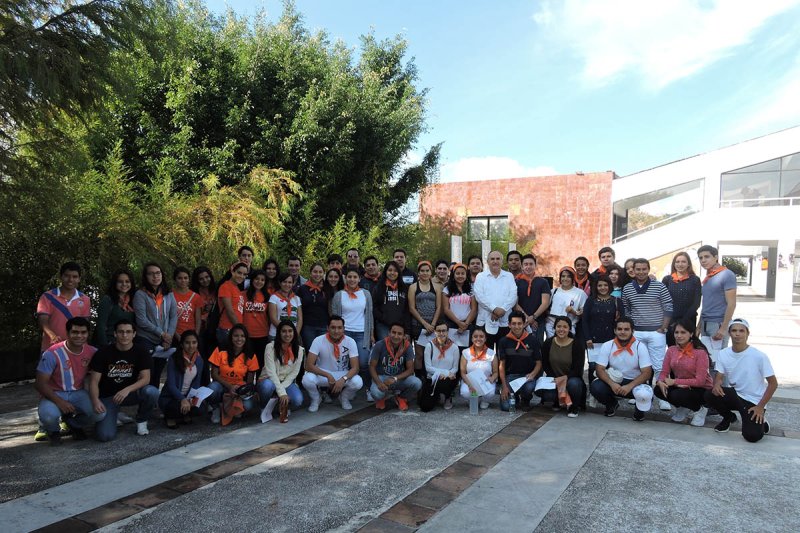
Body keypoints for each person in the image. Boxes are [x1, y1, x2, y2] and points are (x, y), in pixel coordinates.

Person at [704, 319, 778, 442]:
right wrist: (717, 384)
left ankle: (762, 423)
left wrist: (760, 406)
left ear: (747, 333)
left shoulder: (759, 356)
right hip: (736, 394)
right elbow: (719, 376)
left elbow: (773, 383)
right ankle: (728, 418)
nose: (737, 334)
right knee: (709, 394)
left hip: (754, 401)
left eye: (741, 331)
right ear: (729, 333)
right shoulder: (723, 353)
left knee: (752, 436)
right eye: (734, 330)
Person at [88, 319, 160, 440]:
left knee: (152, 392)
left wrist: (127, 389)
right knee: (105, 436)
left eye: (128, 332)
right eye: (121, 332)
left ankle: (142, 420)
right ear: (115, 334)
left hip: (131, 394)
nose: (125, 335)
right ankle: (113, 415)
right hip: (108, 396)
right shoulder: (103, 352)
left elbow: (146, 378)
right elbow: (93, 381)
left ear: (134, 334)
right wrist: (95, 400)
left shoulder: (141, 351)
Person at [35, 317, 100, 445]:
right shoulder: (52, 353)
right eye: (75, 332)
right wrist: (60, 402)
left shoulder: (93, 352)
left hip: (78, 392)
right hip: (54, 393)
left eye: (83, 332)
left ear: (88, 334)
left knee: (100, 414)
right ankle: (53, 431)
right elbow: (39, 383)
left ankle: (73, 424)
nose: (79, 336)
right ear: (67, 333)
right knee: (49, 416)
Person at [621, 258, 673, 410]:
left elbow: (668, 305)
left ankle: (663, 397)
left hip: (656, 331)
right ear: (633, 270)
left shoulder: (659, 286)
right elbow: (626, 308)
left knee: (659, 365)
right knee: (638, 366)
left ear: (648, 269)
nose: (641, 272)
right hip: (637, 331)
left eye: (644, 269)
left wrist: (664, 326)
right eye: (638, 269)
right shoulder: (628, 288)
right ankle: (640, 394)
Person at [590, 317, 654, 421]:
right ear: (615, 330)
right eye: (619, 329)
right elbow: (599, 369)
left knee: (646, 395)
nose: (622, 332)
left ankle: (639, 411)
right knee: (596, 387)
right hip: (615, 381)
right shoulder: (608, 345)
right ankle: (612, 404)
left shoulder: (640, 347)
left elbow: (647, 373)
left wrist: (629, 386)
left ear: (632, 331)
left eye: (626, 329)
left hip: (634, 383)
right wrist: (612, 384)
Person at [207, 325, 270, 424]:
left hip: (239, 389)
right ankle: (216, 409)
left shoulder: (250, 355)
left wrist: (239, 391)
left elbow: (249, 382)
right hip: (222, 385)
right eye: (236, 336)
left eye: (242, 336)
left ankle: (232, 406)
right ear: (231, 337)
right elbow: (214, 374)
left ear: (246, 338)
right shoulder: (220, 349)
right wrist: (230, 386)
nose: (239, 339)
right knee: (212, 388)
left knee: (248, 406)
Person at [654, 319, 712, 427]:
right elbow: (664, 371)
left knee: (677, 395)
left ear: (691, 334)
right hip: (681, 386)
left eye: (683, 332)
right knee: (658, 390)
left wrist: (674, 381)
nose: (679, 335)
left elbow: (700, 381)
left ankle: (700, 409)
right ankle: (683, 407)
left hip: (701, 389)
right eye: (676, 332)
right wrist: (660, 381)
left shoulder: (700, 352)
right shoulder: (671, 350)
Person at [302, 315, 363, 411]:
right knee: (307, 379)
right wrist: (328, 375)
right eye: (333, 327)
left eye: (339, 328)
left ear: (344, 329)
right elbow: (309, 365)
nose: (336, 331)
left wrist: (343, 379)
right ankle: (316, 399)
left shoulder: (350, 341)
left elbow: (355, 368)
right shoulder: (318, 340)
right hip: (323, 374)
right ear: (327, 328)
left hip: (342, 373)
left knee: (358, 382)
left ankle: (344, 398)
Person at [133, 262, 178, 387]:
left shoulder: (169, 294)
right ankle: (145, 398)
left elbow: (173, 316)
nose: (155, 276)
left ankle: (153, 401)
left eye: (158, 273)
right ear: (145, 276)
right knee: (148, 371)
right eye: (151, 274)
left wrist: (168, 336)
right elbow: (141, 320)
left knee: (158, 371)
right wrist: (162, 333)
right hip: (146, 338)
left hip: (164, 339)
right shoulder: (140, 295)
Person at [331, 267, 374, 395]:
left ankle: (368, 388)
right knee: (343, 363)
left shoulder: (366, 294)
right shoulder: (339, 295)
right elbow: (334, 315)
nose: (352, 279)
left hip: (361, 333)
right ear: (345, 278)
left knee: (363, 363)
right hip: (343, 334)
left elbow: (369, 315)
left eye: (355, 277)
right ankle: (346, 390)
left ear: (359, 279)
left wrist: (371, 334)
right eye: (349, 277)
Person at [37, 261, 91, 353]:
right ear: (61, 277)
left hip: (76, 349)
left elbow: (85, 325)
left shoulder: (85, 299)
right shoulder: (47, 296)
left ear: (79, 279)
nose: (70, 279)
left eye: (74, 277)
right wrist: (52, 335)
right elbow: (43, 320)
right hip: (51, 347)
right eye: (67, 276)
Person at [538, 316, 586, 417]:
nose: (561, 329)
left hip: (571, 378)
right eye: (559, 326)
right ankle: (557, 401)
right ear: (554, 328)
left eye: (565, 327)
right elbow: (545, 364)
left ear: (569, 329)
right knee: (546, 394)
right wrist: (556, 378)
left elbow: (578, 368)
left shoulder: (576, 344)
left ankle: (574, 406)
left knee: (574, 384)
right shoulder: (548, 343)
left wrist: (565, 378)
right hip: (554, 377)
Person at [369, 322, 422, 411]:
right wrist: (379, 383)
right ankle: (381, 398)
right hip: (382, 378)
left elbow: (410, 370)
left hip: (399, 378)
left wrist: (395, 378)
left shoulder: (407, 346)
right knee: (376, 393)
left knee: (417, 383)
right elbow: (371, 367)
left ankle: (401, 397)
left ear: (404, 336)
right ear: (389, 333)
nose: (396, 336)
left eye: (400, 334)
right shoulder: (380, 345)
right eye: (393, 332)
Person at [697, 245, 737, 361]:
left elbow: (732, 303)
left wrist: (723, 328)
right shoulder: (708, 277)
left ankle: (723, 380)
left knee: (718, 361)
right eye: (700, 258)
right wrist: (699, 326)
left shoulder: (726, 274)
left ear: (715, 257)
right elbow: (706, 304)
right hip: (705, 323)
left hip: (718, 323)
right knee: (707, 360)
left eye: (707, 257)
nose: (703, 260)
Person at [158, 330, 205, 429]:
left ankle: (184, 414)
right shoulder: (174, 358)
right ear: (182, 344)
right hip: (171, 397)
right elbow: (171, 385)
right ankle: (169, 417)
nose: (191, 346)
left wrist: (191, 399)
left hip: (187, 396)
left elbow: (196, 383)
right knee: (174, 408)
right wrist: (182, 399)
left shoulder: (199, 360)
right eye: (187, 343)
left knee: (201, 408)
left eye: (194, 342)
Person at [261, 320, 305, 422]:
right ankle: (263, 406)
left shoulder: (299, 350)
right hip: (269, 379)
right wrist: (281, 393)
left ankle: (280, 404)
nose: (287, 334)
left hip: (286, 381)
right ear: (279, 333)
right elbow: (271, 372)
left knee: (298, 400)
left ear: (294, 333)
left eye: (290, 331)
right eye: (284, 331)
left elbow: (294, 373)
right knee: (267, 386)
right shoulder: (270, 347)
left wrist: (281, 390)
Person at [498, 311, 542, 412]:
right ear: (509, 325)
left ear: (524, 324)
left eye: (519, 323)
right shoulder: (503, 341)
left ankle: (525, 400)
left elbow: (539, 363)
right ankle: (515, 397)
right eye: (513, 324)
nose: (516, 327)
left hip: (527, 376)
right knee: (506, 407)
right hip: (511, 376)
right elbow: (502, 365)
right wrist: (504, 386)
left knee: (529, 387)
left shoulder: (532, 340)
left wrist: (533, 374)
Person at [581, 276, 622, 385]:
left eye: (605, 285)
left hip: (611, 339)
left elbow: (621, 321)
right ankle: (593, 392)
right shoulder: (590, 300)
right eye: (600, 285)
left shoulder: (616, 301)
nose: (603, 287)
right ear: (596, 287)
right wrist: (588, 338)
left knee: (611, 366)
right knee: (593, 366)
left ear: (609, 286)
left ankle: (609, 389)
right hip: (593, 340)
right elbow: (584, 320)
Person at [473, 250, 518, 349]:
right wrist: (494, 309)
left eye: (498, 259)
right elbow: (479, 296)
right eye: (492, 259)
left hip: (505, 322)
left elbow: (513, 295)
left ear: (502, 261)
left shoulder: (509, 276)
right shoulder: (480, 277)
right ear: (487, 262)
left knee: (503, 354)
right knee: (484, 354)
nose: (495, 261)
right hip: (484, 321)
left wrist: (503, 309)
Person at [408, 260, 442, 379]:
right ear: (418, 273)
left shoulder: (437, 287)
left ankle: (431, 379)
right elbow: (412, 308)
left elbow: (439, 307)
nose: (425, 273)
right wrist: (424, 324)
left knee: (433, 354)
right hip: (418, 325)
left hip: (433, 325)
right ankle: (419, 379)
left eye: (427, 270)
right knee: (419, 355)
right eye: (422, 271)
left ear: (431, 272)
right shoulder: (413, 287)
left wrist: (432, 324)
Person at [661, 252, 701, 346]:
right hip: (670, 321)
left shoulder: (695, 280)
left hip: (688, 320)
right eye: (677, 261)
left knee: (688, 347)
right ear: (674, 264)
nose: (680, 264)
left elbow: (696, 303)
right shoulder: (667, 279)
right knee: (672, 347)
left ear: (688, 264)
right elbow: (663, 301)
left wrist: (683, 321)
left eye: (683, 261)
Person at [421, 321, 460, 411]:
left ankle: (447, 397)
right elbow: (428, 368)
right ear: (435, 332)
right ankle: (437, 396)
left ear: (447, 332)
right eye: (438, 331)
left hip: (447, 379)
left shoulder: (454, 347)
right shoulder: (429, 346)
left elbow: (455, 368)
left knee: (445, 384)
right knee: (425, 407)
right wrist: (443, 373)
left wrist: (446, 375)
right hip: (432, 378)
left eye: (444, 331)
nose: (441, 333)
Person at [513, 253, 551, 344]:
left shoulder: (543, 282)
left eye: (531, 264)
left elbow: (545, 303)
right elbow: (515, 303)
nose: (528, 267)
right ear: (522, 266)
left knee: (537, 346)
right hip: (521, 321)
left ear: (535, 265)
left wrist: (533, 317)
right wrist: (527, 318)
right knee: (520, 347)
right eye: (525, 264)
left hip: (538, 321)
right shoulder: (516, 282)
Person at [459, 328, 498, 409]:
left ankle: (485, 400)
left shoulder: (491, 353)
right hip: (470, 381)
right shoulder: (466, 352)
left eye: (481, 336)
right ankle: (472, 399)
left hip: (485, 382)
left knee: (490, 393)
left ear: (485, 338)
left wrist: (492, 378)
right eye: (475, 336)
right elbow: (463, 372)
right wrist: (469, 384)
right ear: (472, 338)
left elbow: (495, 372)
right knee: (465, 392)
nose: (478, 339)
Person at [191, 266, 217, 385]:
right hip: (199, 329)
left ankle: (216, 388)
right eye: (201, 279)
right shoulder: (194, 293)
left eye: (207, 277)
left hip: (213, 329)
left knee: (215, 359)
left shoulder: (215, 290)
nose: (205, 280)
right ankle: (203, 386)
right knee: (202, 360)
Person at [372, 260, 411, 341]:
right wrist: (384, 318)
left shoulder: (404, 288)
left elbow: (407, 310)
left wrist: (407, 330)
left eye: (395, 271)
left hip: (400, 326)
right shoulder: (378, 287)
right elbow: (374, 307)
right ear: (385, 271)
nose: (392, 273)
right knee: (385, 350)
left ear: (399, 273)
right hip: (383, 326)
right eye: (390, 270)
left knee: (399, 351)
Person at [96, 269, 136, 345]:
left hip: (127, 345)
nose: (124, 284)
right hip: (109, 343)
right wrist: (105, 347)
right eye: (120, 282)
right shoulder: (108, 300)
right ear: (115, 283)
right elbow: (101, 326)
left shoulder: (133, 301)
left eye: (127, 281)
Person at [441, 263, 477, 349]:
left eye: (462, 273)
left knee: (466, 352)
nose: (460, 276)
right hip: (452, 324)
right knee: (451, 351)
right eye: (457, 273)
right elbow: (446, 309)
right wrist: (458, 323)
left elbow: (474, 309)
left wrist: (465, 324)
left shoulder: (472, 289)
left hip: (467, 325)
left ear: (466, 275)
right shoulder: (447, 289)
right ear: (453, 275)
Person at [547, 266, 587, 338]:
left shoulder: (580, 293)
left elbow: (584, 312)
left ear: (573, 278)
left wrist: (573, 312)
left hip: (569, 327)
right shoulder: (553, 291)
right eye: (563, 276)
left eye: (568, 276)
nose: (565, 279)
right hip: (551, 327)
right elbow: (546, 308)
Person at [243, 269, 270, 374]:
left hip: (262, 334)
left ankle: (259, 386)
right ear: (252, 280)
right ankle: (245, 386)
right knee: (246, 363)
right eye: (257, 279)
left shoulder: (267, 297)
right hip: (246, 334)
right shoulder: (243, 295)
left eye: (262, 280)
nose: (259, 282)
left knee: (260, 363)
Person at [299, 263, 329, 349]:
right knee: (311, 350)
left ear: (324, 273)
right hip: (308, 326)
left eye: (320, 272)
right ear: (310, 273)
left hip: (323, 326)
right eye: (315, 271)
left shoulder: (326, 288)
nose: (318, 274)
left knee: (322, 351)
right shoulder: (303, 289)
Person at [217, 262, 247, 348]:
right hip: (227, 329)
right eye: (239, 273)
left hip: (235, 329)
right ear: (232, 271)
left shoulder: (237, 288)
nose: (241, 276)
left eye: (244, 274)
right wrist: (240, 329)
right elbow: (230, 311)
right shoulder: (225, 287)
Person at [268, 271, 303, 339]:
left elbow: (300, 319)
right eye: (284, 282)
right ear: (280, 283)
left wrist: (295, 333)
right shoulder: (274, 297)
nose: (287, 284)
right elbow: (273, 318)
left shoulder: (296, 298)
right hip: (276, 334)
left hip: (293, 334)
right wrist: (285, 331)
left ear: (293, 284)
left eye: (290, 282)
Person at [172, 266, 202, 344]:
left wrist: (196, 335)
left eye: (186, 278)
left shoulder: (196, 297)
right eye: (180, 278)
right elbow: (168, 318)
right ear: (175, 279)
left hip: (191, 334)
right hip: (175, 334)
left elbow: (198, 319)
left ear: (189, 279)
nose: (183, 280)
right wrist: (176, 335)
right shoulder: (170, 296)